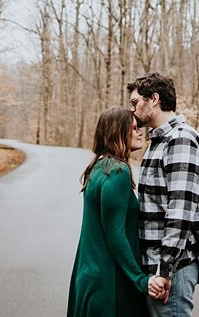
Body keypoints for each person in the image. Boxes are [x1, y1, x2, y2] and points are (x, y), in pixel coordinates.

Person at [68, 107, 169, 317]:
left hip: (91, 277)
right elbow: (116, 234)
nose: (140, 131)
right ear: (117, 132)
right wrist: (141, 280)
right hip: (108, 284)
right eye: (134, 128)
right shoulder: (117, 172)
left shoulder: (99, 166)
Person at [129, 72, 199, 317]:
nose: (132, 110)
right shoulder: (158, 142)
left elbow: (180, 212)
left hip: (171, 268)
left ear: (153, 99)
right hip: (153, 266)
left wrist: (165, 271)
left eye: (135, 103)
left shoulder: (181, 139)